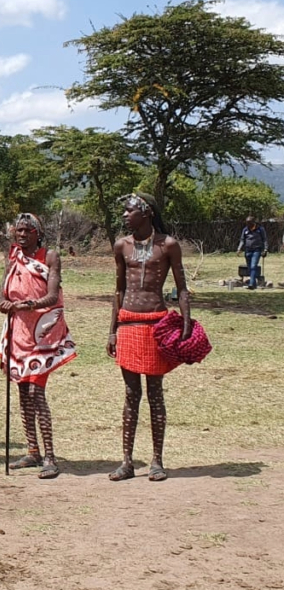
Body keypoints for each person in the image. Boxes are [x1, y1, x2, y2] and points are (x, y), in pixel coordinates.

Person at [107, 193, 190, 482]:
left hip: (156, 324)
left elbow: (181, 286)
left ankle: (157, 461)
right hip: (129, 324)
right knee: (131, 395)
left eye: (129, 211)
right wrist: (112, 330)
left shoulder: (168, 245)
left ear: (146, 213)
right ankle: (127, 462)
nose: (125, 216)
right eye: (125, 211)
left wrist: (186, 322)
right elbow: (118, 289)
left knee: (155, 394)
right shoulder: (122, 246)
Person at [0, 213, 77, 479]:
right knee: (22, 389)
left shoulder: (49, 257)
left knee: (36, 390)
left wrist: (25, 305)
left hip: (44, 330)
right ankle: (32, 450)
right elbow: (1, 294)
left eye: (26, 231)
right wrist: (5, 304)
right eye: (17, 231)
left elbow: (52, 295)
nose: (21, 235)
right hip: (18, 329)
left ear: (37, 233)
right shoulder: (13, 258)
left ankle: (50, 456)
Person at [236, 216, 268, 290]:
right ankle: (254, 284)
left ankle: (251, 284)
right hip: (248, 250)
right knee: (250, 268)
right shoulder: (245, 230)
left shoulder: (260, 229)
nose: (248, 224)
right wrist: (239, 248)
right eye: (247, 223)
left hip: (257, 250)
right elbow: (242, 240)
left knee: (253, 266)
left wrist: (265, 249)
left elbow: (265, 240)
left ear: (253, 222)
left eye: (249, 223)